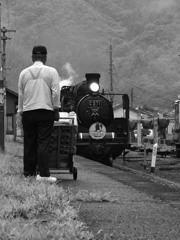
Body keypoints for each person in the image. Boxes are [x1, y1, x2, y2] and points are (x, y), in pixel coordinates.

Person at [17, 45, 60, 182]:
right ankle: (43, 174)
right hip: (45, 111)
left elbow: (21, 94)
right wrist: (56, 109)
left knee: (29, 143)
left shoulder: (24, 73)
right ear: (45, 57)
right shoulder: (51, 72)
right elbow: (56, 93)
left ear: (32, 57)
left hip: (28, 112)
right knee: (43, 143)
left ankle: (28, 174)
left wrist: (21, 112)